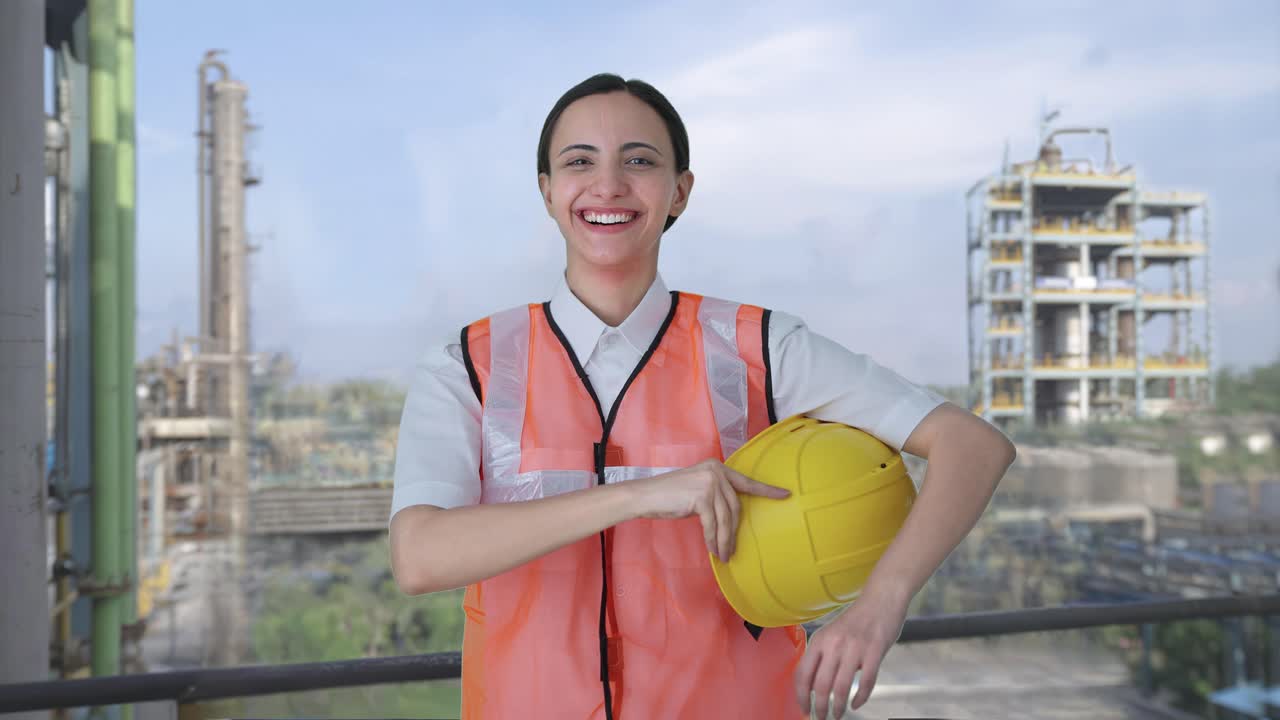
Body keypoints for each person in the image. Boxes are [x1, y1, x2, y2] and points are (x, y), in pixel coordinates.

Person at [389, 73, 1016, 720]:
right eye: (579, 162)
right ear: (547, 192)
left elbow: (973, 446)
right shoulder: (469, 366)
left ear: (680, 191)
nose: (608, 185)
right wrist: (638, 496)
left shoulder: (759, 349)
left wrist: (880, 607)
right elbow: (418, 556)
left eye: (639, 161)